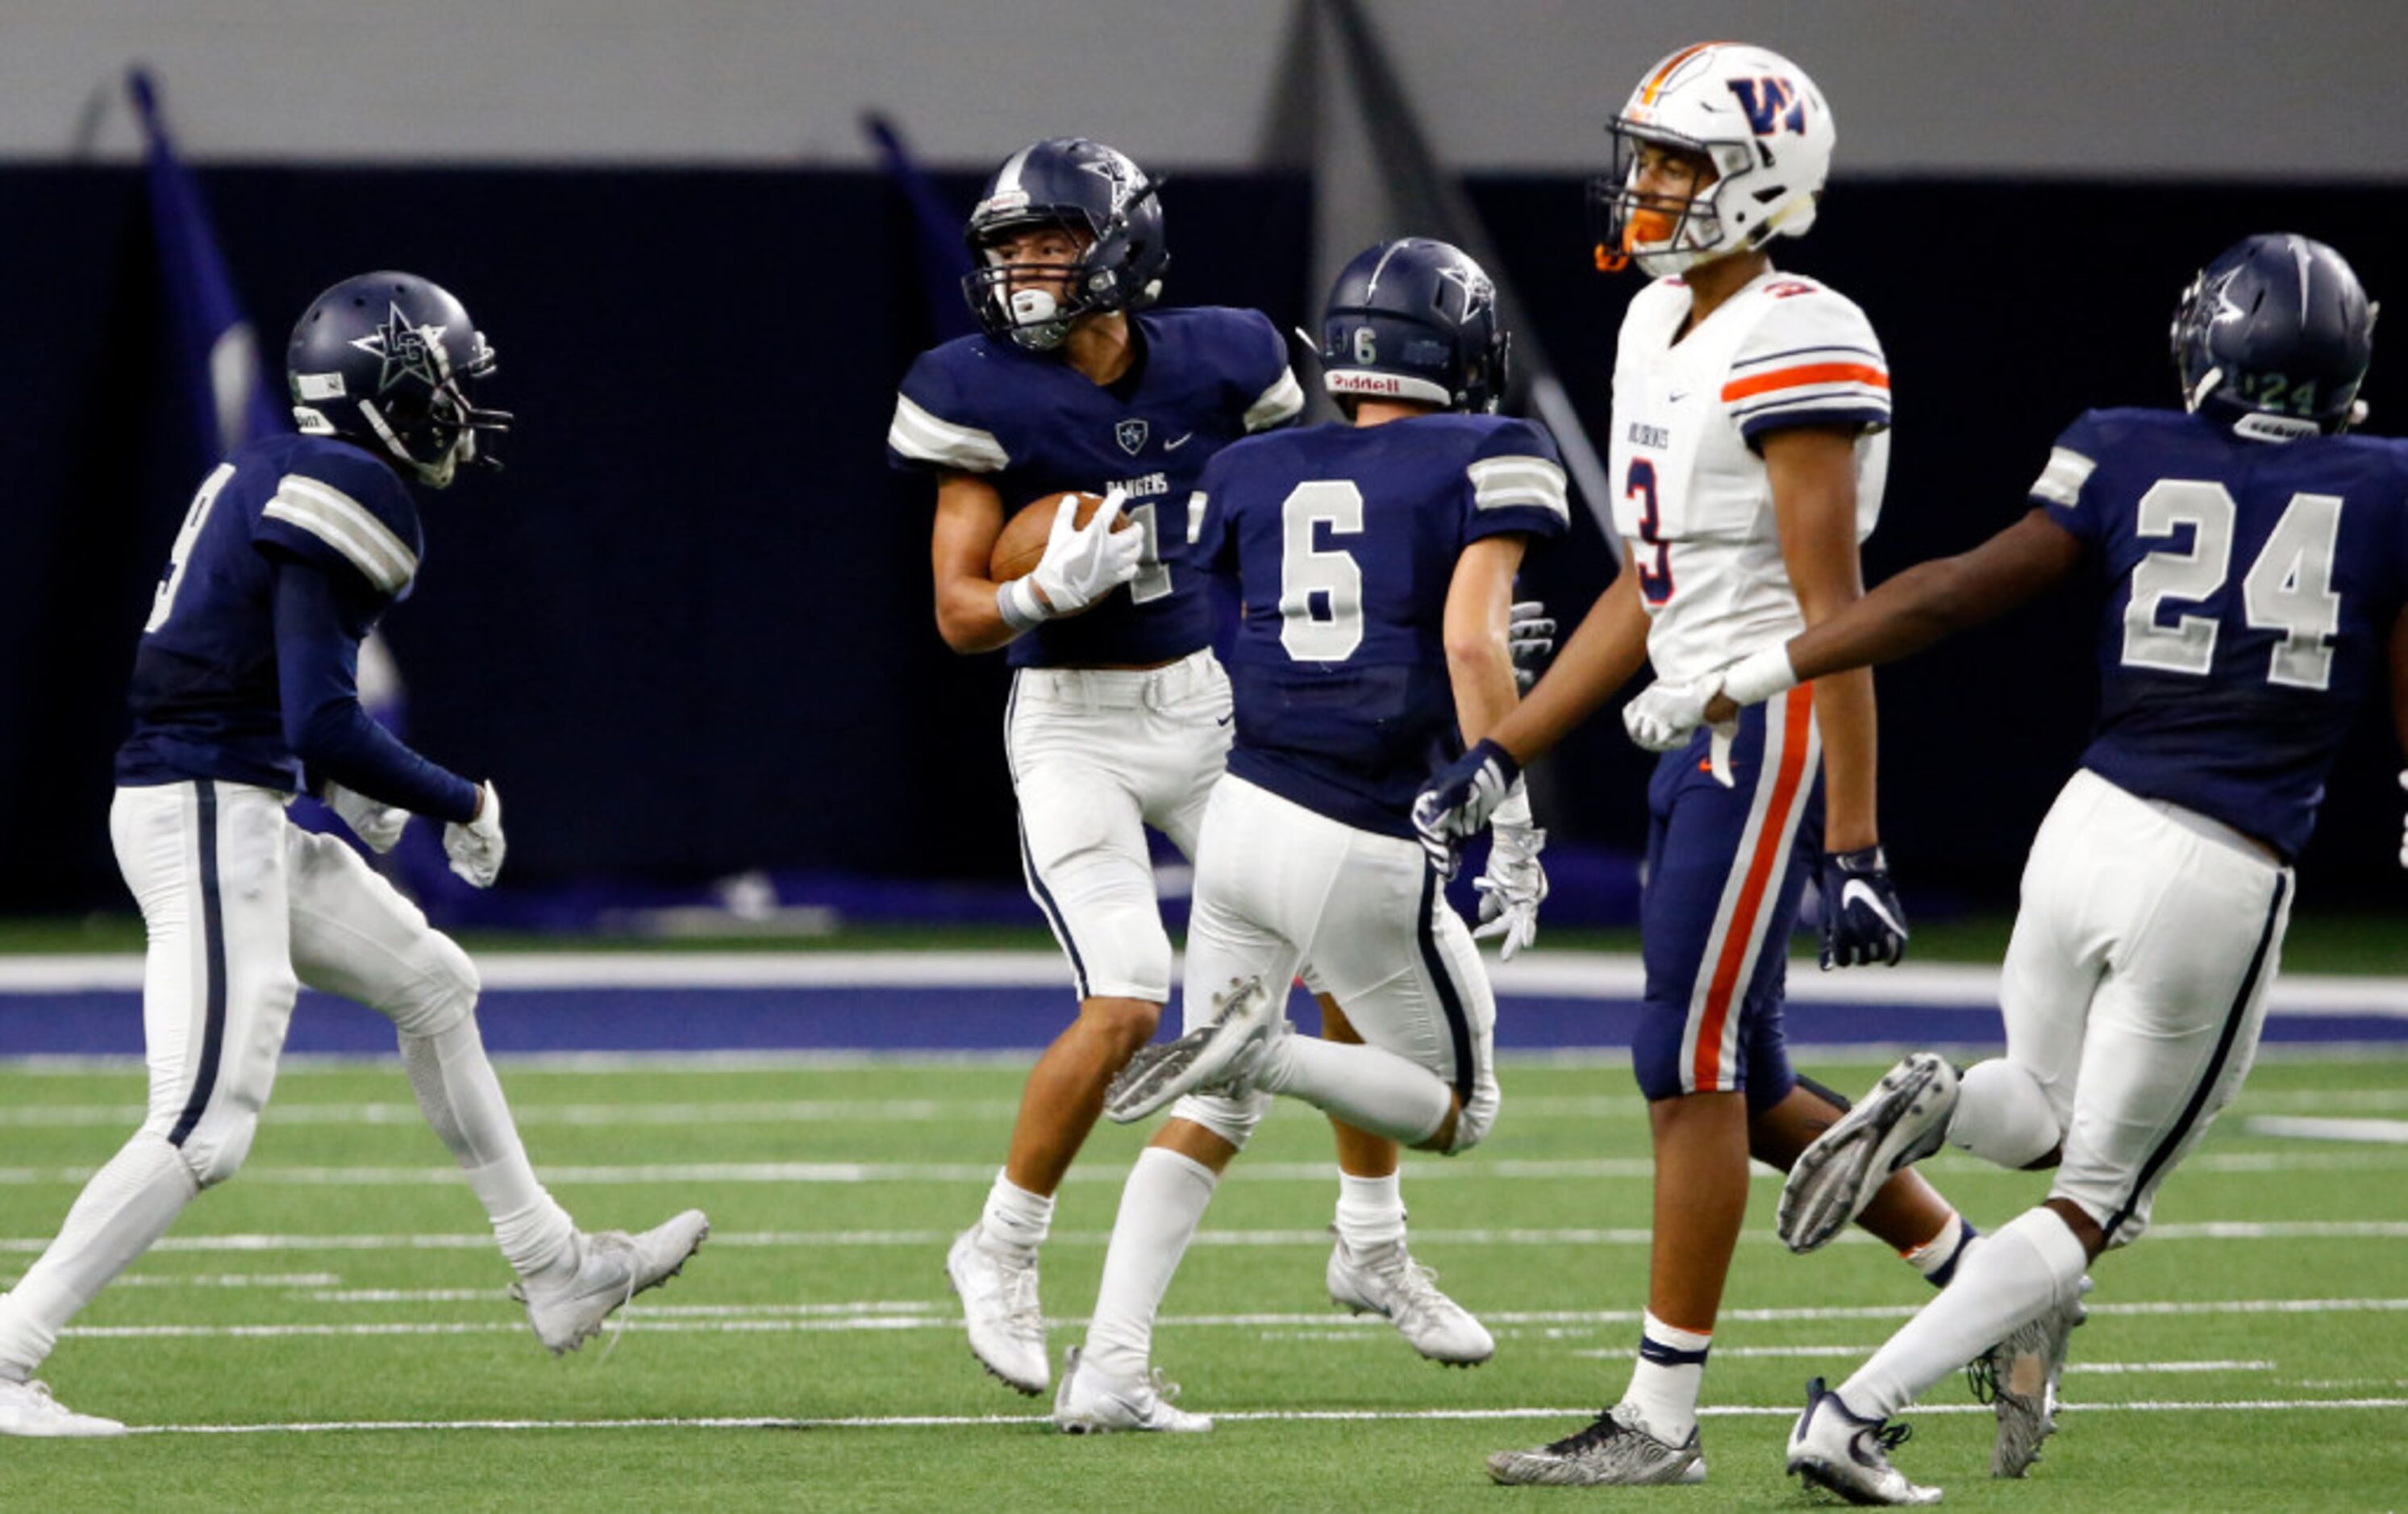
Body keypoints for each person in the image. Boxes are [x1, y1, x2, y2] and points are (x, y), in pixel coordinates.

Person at [1624, 232, 2405, 1504]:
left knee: (2035, 1112)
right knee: (2092, 1206)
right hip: (2219, 863)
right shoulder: (2386, 486)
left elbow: (1940, 596)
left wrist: (1752, 671)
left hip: (2082, 823)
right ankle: (1854, 1413)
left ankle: (1939, 1104)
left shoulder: (2122, 442)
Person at [1414, 43, 2034, 1487]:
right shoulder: (1653, 324)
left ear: (1755, 184)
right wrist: (1505, 747)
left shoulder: (1800, 330)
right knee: (1742, 1082)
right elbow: (1651, 584)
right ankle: (1994, 1279)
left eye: (1675, 164)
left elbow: (1840, 616)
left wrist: (1858, 844)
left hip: (1762, 731)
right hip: (1685, 727)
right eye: (1643, 156)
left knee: (1678, 1060)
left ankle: (1659, 1418)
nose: (1643, 186)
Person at [0, 272, 709, 1438]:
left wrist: (337, 784)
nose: (462, 411)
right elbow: (321, 718)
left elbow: (263, 693)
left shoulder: (278, 466)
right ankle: (13, 1349)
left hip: (229, 797)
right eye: (447, 384)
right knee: (204, 1125)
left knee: (435, 982)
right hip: (205, 811)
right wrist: (455, 796)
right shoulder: (345, 481)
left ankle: (554, 1264)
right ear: (395, 388)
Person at [885, 139, 1505, 1400]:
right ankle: (999, 1245)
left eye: (1050, 242)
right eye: (1007, 248)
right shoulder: (972, 386)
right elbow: (956, 615)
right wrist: (1040, 587)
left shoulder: (1229, 356)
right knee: (1127, 997)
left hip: (1210, 710)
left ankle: (1371, 1242)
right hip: (1071, 723)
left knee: (1337, 944)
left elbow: (1335, 490)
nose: (1023, 270)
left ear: (1121, 247)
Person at [1055, 236, 1564, 1433]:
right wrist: (1518, 824)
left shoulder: (1249, 467)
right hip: (1358, 834)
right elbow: (1472, 646)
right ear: (1462, 351)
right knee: (1456, 1106)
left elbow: (1286, 616)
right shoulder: (1495, 450)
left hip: (1239, 815)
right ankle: (1260, 1051)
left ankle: (1111, 1363)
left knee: (1213, 1109)